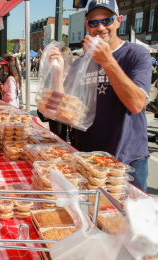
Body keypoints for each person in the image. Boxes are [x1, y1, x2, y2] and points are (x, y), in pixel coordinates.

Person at [50, 0, 152, 191]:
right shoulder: (80, 63)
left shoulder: (136, 55)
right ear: (86, 25)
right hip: (87, 158)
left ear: (119, 21)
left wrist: (107, 61)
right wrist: (57, 71)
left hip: (125, 160)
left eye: (107, 20)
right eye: (93, 23)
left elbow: (137, 104)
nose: (100, 28)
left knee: (127, 218)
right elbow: (64, 111)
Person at [48, 46, 73, 142]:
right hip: (55, 111)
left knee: (60, 137)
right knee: (57, 136)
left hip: (63, 110)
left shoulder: (71, 72)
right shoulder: (56, 70)